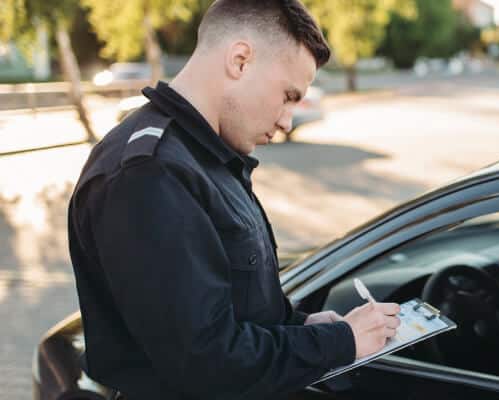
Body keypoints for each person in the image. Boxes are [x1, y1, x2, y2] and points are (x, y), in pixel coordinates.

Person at [66, 1, 400, 398]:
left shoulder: (207, 157)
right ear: (240, 60)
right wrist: (340, 342)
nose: (287, 121)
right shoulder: (149, 176)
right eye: (288, 96)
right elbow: (208, 364)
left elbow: (234, 313)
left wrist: (302, 328)